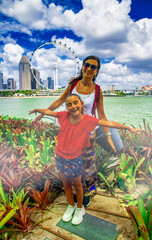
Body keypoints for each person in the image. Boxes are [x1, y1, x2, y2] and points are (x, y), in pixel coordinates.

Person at [29, 94, 142, 225]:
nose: (73, 106)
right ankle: (71, 205)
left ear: (82, 104)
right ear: (66, 107)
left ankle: (79, 208)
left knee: (77, 185)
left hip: (74, 158)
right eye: (69, 104)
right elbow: (49, 112)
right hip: (60, 156)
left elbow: (108, 123)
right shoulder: (63, 116)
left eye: (75, 103)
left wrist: (129, 128)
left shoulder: (88, 120)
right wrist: (38, 110)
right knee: (66, 184)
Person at [33, 55, 123, 206]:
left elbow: (101, 114)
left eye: (93, 67)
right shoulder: (73, 84)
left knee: (87, 165)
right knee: (69, 161)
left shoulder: (98, 90)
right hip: (69, 131)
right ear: (82, 66)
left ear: (97, 71)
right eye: (86, 65)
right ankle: (74, 190)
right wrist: (42, 113)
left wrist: (108, 135)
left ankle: (87, 193)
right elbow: (59, 101)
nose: (89, 68)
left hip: (87, 133)